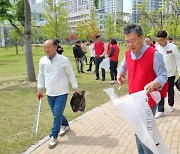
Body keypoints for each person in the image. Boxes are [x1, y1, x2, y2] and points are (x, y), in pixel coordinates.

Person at [117, 24, 167, 154]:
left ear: (141, 37)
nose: (130, 45)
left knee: (145, 136)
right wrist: (120, 74)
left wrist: (154, 83)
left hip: (148, 101)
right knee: (139, 133)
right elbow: (123, 66)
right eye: (127, 41)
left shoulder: (154, 54)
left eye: (133, 41)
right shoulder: (128, 53)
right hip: (134, 100)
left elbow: (163, 75)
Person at [37, 39, 81, 149]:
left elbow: (70, 74)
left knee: (57, 114)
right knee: (56, 114)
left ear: (55, 47)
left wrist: (75, 87)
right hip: (49, 92)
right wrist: (40, 88)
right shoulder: (43, 61)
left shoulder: (64, 60)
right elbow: (41, 75)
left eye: (49, 47)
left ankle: (53, 136)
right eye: (45, 47)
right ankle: (65, 125)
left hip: (62, 92)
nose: (46, 50)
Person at [155, 30, 180, 118]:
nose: (159, 42)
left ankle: (171, 105)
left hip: (170, 73)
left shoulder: (173, 47)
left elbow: (178, 60)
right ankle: (160, 109)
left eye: (161, 40)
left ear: (166, 38)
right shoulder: (156, 48)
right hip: (160, 74)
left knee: (170, 89)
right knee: (159, 90)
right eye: (158, 40)